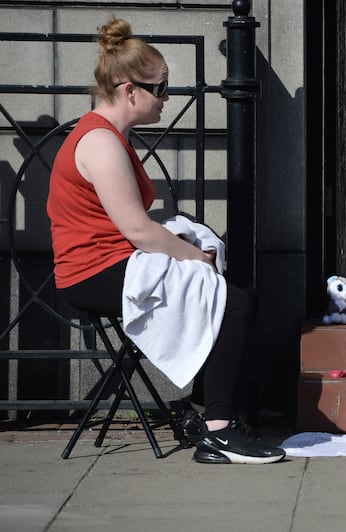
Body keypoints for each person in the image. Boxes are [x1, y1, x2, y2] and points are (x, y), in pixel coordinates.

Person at [46, 18, 284, 465]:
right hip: (92, 272)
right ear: (129, 89)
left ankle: (203, 415)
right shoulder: (101, 143)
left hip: (110, 262)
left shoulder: (109, 136)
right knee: (233, 302)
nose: (167, 99)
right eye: (160, 88)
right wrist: (195, 256)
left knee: (235, 297)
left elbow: (129, 230)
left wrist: (191, 256)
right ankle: (218, 429)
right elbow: (137, 229)